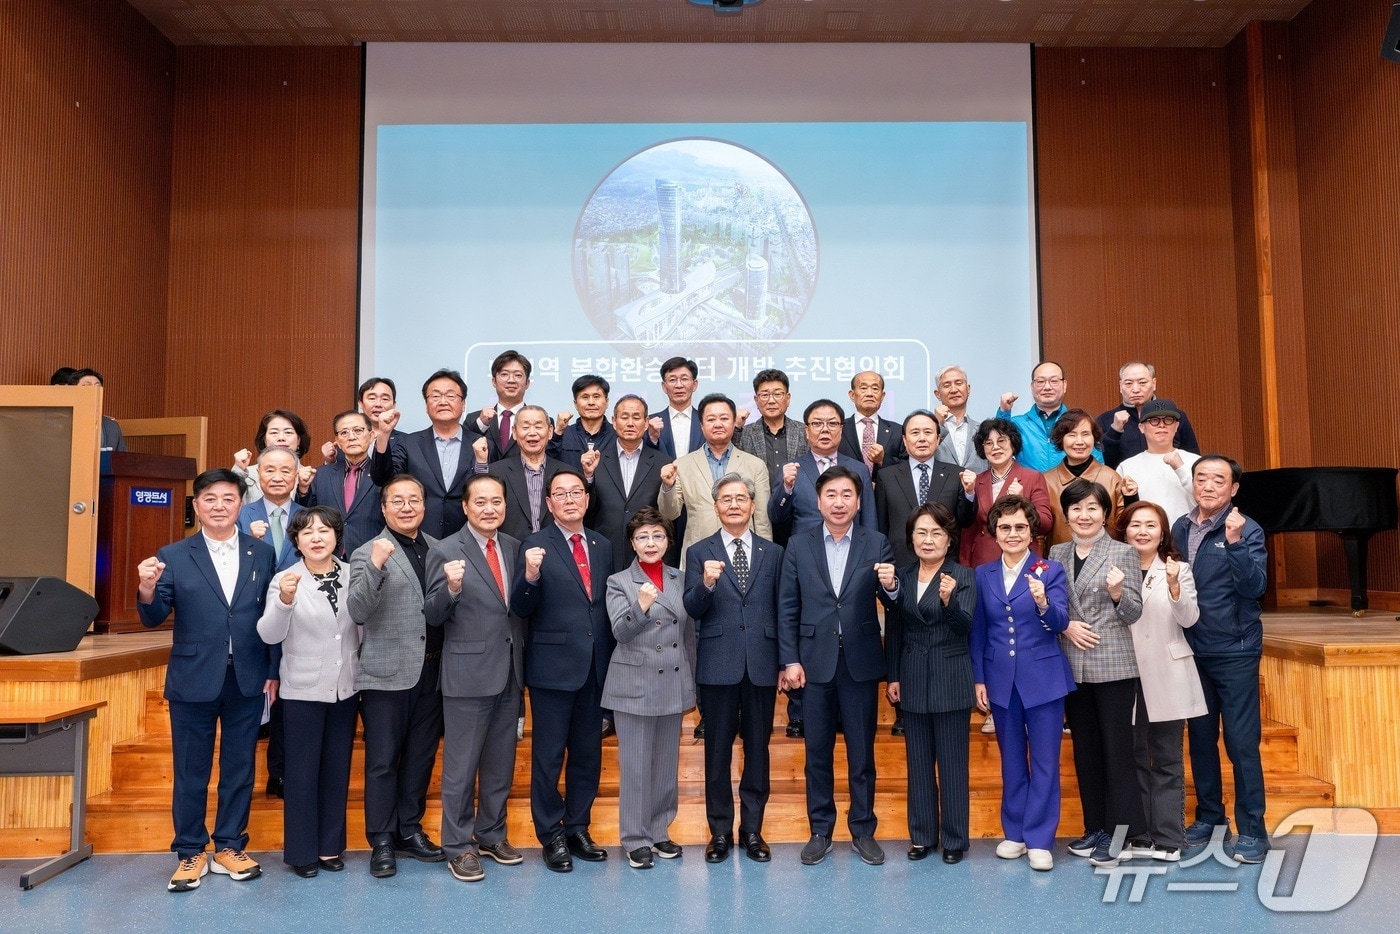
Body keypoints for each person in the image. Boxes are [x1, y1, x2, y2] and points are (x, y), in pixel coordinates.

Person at [137, 469, 278, 892]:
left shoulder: (262, 553)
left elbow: (270, 616)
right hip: (193, 677)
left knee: (240, 767)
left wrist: (272, 671)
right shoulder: (174, 554)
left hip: (248, 677)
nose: (219, 506)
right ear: (196, 506)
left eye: (228, 498)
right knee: (191, 769)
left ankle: (230, 845)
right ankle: (190, 850)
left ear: (240, 504)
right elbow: (153, 616)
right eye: (210, 499)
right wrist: (146, 588)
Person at [778, 465, 899, 866]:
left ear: (858, 500)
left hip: (860, 663)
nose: (839, 502)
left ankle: (863, 830)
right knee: (817, 753)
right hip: (812, 665)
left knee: (862, 755)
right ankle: (820, 830)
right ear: (819, 500)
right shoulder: (798, 545)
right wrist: (790, 658)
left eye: (847, 494)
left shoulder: (876, 542)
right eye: (831, 494)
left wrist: (893, 585)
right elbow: (788, 606)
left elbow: (892, 603)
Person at [509, 468, 615, 872]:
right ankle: (550, 834)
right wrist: (531, 577)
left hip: (595, 667)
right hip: (552, 669)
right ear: (549, 503)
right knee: (549, 757)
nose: (570, 499)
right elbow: (521, 607)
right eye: (560, 494)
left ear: (587, 500)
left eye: (576, 492)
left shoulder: (603, 545)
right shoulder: (534, 545)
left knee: (588, 756)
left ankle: (578, 827)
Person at [424, 474, 527, 883]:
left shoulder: (516, 548)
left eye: (496, 501)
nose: (489, 509)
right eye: (480, 502)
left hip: (510, 671)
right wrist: (450, 588)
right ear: (465, 507)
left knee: (500, 764)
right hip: (467, 674)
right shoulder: (446, 550)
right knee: (461, 768)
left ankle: (491, 834)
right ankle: (457, 845)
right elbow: (432, 613)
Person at [971, 495, 1081, 872]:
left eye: (1020, 526)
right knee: (1012, 761)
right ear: (994, 533)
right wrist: (979, 678)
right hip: (1000, 679)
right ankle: (1014, 833)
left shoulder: (1048, 569)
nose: (1013, 533)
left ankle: (1039, 838)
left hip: (1044, 679)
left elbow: (1061, 622)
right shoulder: (982, 574)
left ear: (1032, 531)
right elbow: (979, 631)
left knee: (1046, 762)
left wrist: (1044, 605)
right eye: (1005, 527)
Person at [1171, 455, 1270, 864]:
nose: (1208, 485)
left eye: (1218, 480)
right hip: (1191, 649)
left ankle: (1253, 830)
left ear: (1233, 489)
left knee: (1241, 742)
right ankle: (1211, 817)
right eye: (1202, 478)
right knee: (1200, 739)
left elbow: (1255, 587)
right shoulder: (1180, 527)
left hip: (1235, 650)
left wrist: (1233, 544)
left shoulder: (1246, 528)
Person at [346, 475, 445, 879]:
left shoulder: (440, 548)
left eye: (414, 500)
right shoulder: (367, 552)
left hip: (434, 670)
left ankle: (409, 829)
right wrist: (375, 566)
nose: (407, 507)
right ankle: (382, 840)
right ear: (384, 508)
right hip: (386, 673)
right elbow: (357, 610)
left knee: (421, 757)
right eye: (398, 501)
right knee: (383, 762)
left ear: (424, 505)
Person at [256, 506, 360, 878]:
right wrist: (284, 601)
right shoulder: (285, 578)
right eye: (307, 532)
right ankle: (301, 853)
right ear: (297, 541)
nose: (317, 538)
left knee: (336, 769)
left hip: (345, 688)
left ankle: (330, 847)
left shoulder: (353, 574)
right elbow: (269, 634)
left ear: (337, 537)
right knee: (301, 774)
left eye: (325, 531)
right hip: (302, 690)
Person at [683, 473, 781, 864]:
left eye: (742, 498)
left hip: (761, 663)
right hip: (718, 664)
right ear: (716, 506)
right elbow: (692, 607)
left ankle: (753, 831)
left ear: (753, 505)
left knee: (758, 752)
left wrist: (787, 660)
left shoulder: (773, 552)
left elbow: (783, 609)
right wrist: (706, 584)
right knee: (717, 753)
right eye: (727, 499)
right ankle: (720, 832)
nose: (735, 504)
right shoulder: (698, 551)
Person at [1048, 479, 1146, 868]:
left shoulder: (1123, 552)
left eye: (1092, 507)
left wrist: (1121, 593)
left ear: (1105, 513)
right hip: (1072, 665)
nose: (1084, 515)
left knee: (1118, 753)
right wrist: (1065, 625)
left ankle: (1122, 834)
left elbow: (1135, 612)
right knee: (1086, 751)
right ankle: (1096, 829)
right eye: (1076, 508)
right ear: (1066, 514)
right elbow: (1053, 608)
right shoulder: (1056, 552)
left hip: (1113, 666)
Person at [602, 508, 695, 869]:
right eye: (643, 537)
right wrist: (640, 605)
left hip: (673, 681)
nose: (651, 543)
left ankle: (658, 831)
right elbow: (620, 632)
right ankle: (634, 838)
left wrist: (692, 682)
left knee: (665, 766)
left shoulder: (680, 578)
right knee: (637, 766)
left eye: (658, 536)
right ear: (632, 543)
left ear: (668, 541)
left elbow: (687, 636)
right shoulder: (618, 581)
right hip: (633, 684)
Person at [885, 503, 976, 864]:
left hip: (950, 679)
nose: (928, 540)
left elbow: (965, 625)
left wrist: (949, 601)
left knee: (953, 765)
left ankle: (954, 839)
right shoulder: (902, 577)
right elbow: (895, 628)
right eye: (921, 532)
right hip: (911, 679)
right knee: (918, 764)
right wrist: (893, 674)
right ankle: (922, 836)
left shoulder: (962, 576)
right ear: (911, 538)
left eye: (936, 532)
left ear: (949, 538)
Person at [1120, 500, 1206, 863]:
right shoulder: (1112, 568)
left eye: (1150, 525)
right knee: (1134, 755)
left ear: (1162, 533)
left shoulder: (1178, 569)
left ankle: (1170, 838)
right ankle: (1140, 836)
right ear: (1124, 530)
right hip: (1124, 674)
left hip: (1167, 672)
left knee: (1167, 757)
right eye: (1135, 524)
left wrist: (1173, 587)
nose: (1142, 531)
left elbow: (1189, 618)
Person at [659, 393, 772, 560]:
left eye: (724, 418)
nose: (718, 424)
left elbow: (762, 521)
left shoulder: (755, 465)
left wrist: (765, 559)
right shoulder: (682, 465)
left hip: (744, 554)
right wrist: (667, 487)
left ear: (734, 423)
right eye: (711, 419)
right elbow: (669, 514)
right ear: (702, 425)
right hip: (699, 553)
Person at [369, 369, 479, 539]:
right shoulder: (409, 443)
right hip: (420, 537)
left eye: (450, 396)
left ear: (463, 404)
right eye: (435, 396)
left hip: (468, 538)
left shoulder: (481, 445)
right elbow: (383, 479)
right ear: (426, 406)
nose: (443, 402)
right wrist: (384, 434)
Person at [583, 393, 672, 573]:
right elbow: (587, 511)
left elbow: (669, 514)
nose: (630, 423)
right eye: (624, 417)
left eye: (636, 417)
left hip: (648, 554)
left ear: (646, 423)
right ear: (614, 421)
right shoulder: (596, 461)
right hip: (605, 553)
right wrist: (588, 477)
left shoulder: (664, 463)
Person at [876, 409, 974, 569]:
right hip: (899, 565)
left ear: (937, 439)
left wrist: (970, 493)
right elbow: (881, 527)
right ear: (905, 440)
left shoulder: (956, 474)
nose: (922, 438)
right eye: (915, 433)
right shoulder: (886, 476)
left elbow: (965, 521)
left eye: (928, 432)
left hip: (944, 567)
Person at [769, 399, 875, 536]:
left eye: (832, 423)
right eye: (817, 423)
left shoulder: (859, 469)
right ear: (807, 431)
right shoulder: (792, 469)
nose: (825, 429)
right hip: (806, 551)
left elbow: (869, 520)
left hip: (851, 550)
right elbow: (776, 517)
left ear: (841, 429)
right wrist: (786, 488)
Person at [958, 418, 1053, 568]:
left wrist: (1023, 501)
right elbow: (968, 532)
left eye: (1001, 441)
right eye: (989, 443)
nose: (995, 447)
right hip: (984, 561)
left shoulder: (1033, 477)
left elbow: (1046, 524)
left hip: (1022, 560)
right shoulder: (977, 481)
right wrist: (964, 567)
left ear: (1013, 444)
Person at [737, 368, 809, 546]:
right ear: (756, 399)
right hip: (757, 519)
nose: (771, 400)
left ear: (788, 398)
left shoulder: (805, 432)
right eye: (765, 395)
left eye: (778, 394)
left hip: (797, 518)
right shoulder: (744, 434)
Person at [300, 411, 383, 558]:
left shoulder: (383, 476)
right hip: (328, 559)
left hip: (371, 558)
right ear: (337, 441)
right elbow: (305, 514)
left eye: (358, 430)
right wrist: (303, 490)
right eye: (344, 432)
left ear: (371, 436)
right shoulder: (320, 475)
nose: (351, 437)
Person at [1043, 409, 1130, 547]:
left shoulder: (1112, 478)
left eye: (1085, 434)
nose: (1079, 441)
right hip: (1058, 564)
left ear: (1094, 438)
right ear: (1061, 439)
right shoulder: (1046, 481)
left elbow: (1125, 526)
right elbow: (1039, 532)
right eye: (1072, 435)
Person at [482, 404, 569, 541]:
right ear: (515, 433)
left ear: (550, 431)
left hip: (556, 553)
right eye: (525, 427)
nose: (532, 432)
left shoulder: (567, 473)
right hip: (511, 555)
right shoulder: (495, 472)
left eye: (538, 427)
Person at [996, 362, 1101, 473]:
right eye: (1040, 381)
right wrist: (1004, 412)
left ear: (1064, 385)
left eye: (1054, 381)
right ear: (1032, 387)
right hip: (1029, 489)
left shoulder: (1080, 423)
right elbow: (998, 445)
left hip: (1071, 488)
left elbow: (1096, 463)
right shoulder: (1018, 424)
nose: (1047, 387)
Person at [1097, 362, 1201, 468]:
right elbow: (1103, 464)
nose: (1135, 390)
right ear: (1120, 386)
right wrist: (1114, 431)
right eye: (1128, 384)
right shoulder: (1106, 420)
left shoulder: (1175, 416)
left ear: (1154, 383)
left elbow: (1192, 456)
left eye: (1142, 383)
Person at [1117, 400, 1200, 526]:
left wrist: (1180, 468)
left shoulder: (1196, 461)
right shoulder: (1127, 466)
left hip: (1187, 537)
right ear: (1142, 428)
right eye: (1154, 420)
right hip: (1144, 538)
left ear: (1177, 426)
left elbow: (1207, 500)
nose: (1162, 425)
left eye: (1168, 420)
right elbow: (1120, 512)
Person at [237, 447, 303, 571]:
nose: (277, 478)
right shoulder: (240, 515)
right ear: (258, 473)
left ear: (296, 475)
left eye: (285, 471)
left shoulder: (309, 517)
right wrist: (251, 541)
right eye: (270, 470)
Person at [232, 409, 312, 504]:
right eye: (274, 433)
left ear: (299, 440)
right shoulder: (247, 475)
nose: (281, 438)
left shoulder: (311, 477)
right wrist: (238, 471)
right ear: (264, 440)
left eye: (288, 432)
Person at [466, 349, 531, 463]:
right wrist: (481, 424)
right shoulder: (474, 419)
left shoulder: (540, 421)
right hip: (485, 479)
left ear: (527, 383)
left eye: (518, 375)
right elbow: (464, 449)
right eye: (504, 374)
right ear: (494, 382)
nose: (511, 380)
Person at [839, 370, 905, 474]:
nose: (869, 393)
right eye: (863, 388)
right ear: (852, 395)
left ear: (882, 396)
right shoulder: (839, 429)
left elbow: (907, 468)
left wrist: (883, 459)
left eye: (875, 389)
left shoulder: (898, 431)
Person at [549, 374, 617, 470]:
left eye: (596, 396)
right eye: (585, 397)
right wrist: (558, 433)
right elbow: (546, 461)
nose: (591, 402)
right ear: (575, 404)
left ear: (607, 402)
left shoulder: (618, 436)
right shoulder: (563, 435)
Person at [646, 356, 703, 459]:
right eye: (672, 380)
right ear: (664, 386)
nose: (678, 385)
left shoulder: (706, 420)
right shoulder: (649, 423)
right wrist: (652, 437)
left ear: (694, 384)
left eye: (684, 379)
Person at [933, 365, 986, 472]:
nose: (953, 390)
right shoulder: (929, 430)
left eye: (958, 383)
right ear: (938, 394)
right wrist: (937, 425)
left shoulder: (983, 430)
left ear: (968, 389)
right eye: (947, 385)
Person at [67, 367, 126, 451]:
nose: (94, 390)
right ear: (73, 391)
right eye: (87, 386)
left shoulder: (112, 426)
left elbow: (121, 459)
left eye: (97, 386)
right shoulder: (62, 423)